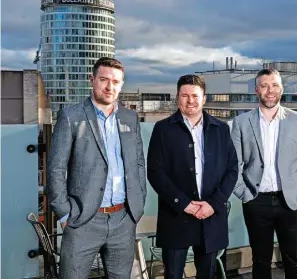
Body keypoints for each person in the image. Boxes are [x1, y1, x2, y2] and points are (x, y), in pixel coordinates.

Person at [47, 57, 147, 278]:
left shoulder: (130, 118)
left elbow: (138, 163)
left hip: (123, 219)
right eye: (103, 79)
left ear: (121, 84)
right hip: (82, 220)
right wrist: (65, 214)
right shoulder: (71, 117)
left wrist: (137, 206)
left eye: (116, 81)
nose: (110, 87)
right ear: (92, 80)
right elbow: (55, 169)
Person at [147, 74, 238, 279]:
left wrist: (213, 204)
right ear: (177, 98)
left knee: (208, 274)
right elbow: (155, 172)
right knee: (173, 275)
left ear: (204, 98)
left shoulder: (221, 129)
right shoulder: (162, 129)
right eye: (185, 95)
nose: (190, 100)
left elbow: (232, 169)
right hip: (176, 215)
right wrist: (184, 204)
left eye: (195, 96)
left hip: (210, 216)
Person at [231, 68, 297, 279]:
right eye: (264, 85)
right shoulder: (241, 122)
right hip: (256, 200)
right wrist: (244, 194)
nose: (270, 90)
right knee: (260, 261)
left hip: (290, 201)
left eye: (275, 85)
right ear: (256, 89)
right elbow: (233, 165)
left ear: (282, 89)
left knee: (295, 261)